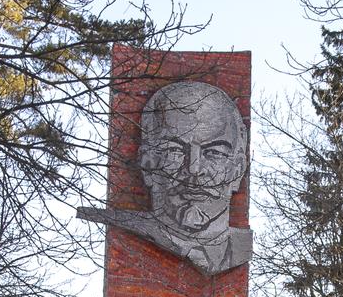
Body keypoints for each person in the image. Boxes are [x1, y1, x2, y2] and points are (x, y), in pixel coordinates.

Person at [78, 80, 253, 275]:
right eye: (173, 150)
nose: (194, 168)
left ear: (238, 170)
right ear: (147, 164)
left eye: (214, 152)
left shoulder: (241, 247)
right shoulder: (128, 229)